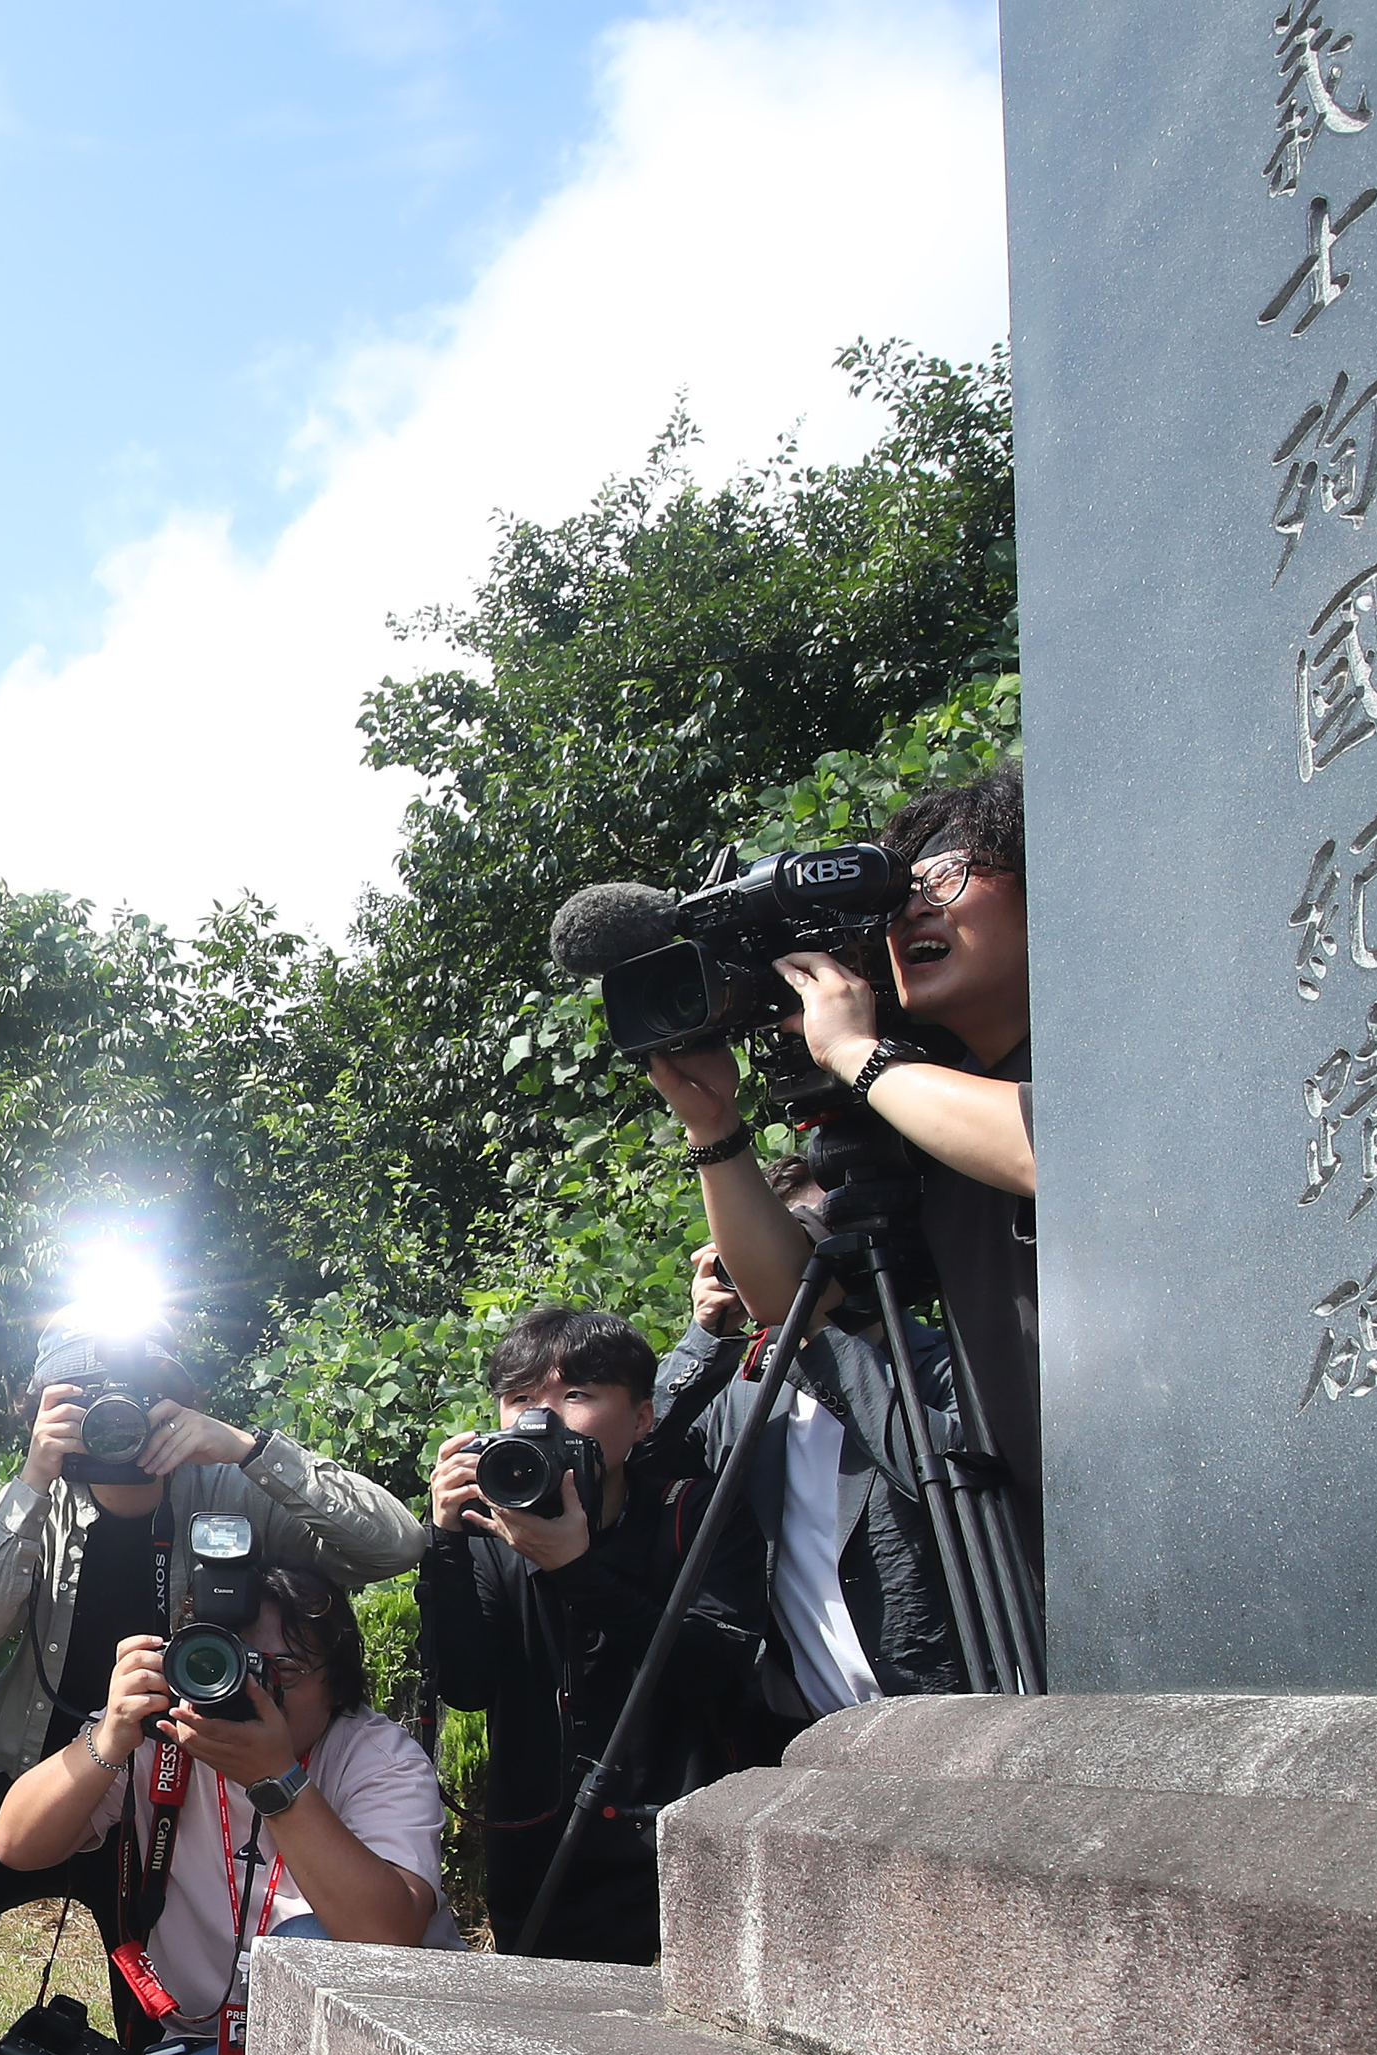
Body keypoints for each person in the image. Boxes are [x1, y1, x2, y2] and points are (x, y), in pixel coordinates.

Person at [0, 1312, 424, 2055]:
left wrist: (247, 1447)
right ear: (45, 1411)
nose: (113, 1423)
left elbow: (397, 1543)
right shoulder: (40, 1500)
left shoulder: (223, 1486)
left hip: (183, 1767)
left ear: (175, 1402)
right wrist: (34, 1476)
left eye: (137, 1399)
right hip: (50, 1763)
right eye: (82, 1403)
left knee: (146, 1955)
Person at [647, 763, 1039, 1596]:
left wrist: (857, 1054)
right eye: (899, 896)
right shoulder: (927, 1110)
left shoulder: (1108, 1046)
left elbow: (1057, 1150)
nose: (915, 910)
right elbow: (794, 1304)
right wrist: (714, 1127)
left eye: (950, 874)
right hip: (1043, 1549)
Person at [419, 1304, 770, 1964]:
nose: (542, 1418)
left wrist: (575, 1569)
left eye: (576, 1394)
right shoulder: (490, 1535)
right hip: (539, 1869)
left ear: (642, 1418)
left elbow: (713, 1671)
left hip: (679, 1868)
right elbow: (466, 1685)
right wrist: (444, 1542)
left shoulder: (694, 1514)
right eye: (520, 1397)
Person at [0, 1566, 441, 2055]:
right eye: (232, 1665)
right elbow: (16, 1845)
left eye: (282, 1672)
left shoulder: (378, 1757)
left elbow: (385, 1938)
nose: (253, 1690)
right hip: (199, 2043)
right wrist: (110, 1737)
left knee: (305, 1948)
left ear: (336, 1684)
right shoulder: (166, 1734)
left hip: (355, 2052)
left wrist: (277, 1780)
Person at [657, 1156, 968, 1719]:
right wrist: (704, 1339)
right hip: (807, 1736)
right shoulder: (746, 1393)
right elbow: (639, 1461)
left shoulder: (947, 1370)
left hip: (952, 1723)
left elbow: (954, 1486)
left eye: (791, 1240)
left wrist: (816, 1332)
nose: (768, 1264)